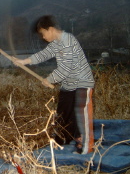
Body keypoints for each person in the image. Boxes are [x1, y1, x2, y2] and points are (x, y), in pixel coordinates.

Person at [11, 15, 94, 154]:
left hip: (82, 82)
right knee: (63, 112)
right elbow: (43, 55)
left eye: (43, 33)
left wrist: (49, 79)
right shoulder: (56, 43)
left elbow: (65, 69)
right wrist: (23, 61)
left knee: (81, 113)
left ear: (50, 29)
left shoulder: (67, 41)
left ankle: (86, 146)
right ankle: (63, 140)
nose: (43, 37)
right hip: (69, 84)